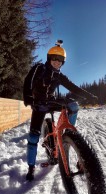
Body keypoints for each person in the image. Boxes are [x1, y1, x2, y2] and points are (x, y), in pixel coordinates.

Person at [23, 40, 97, 181]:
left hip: (51, 101)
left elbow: (72, 87)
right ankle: (31, 167)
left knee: (73, 106)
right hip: (39, 104)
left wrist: (89, 96)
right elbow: (28, 81)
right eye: (54, 59)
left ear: (63, 62)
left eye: (60, 60)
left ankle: (68, 134)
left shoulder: (59, 76)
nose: (57, 62)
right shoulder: (40, 68)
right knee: (33, 138)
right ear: (49, 58)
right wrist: (28, 98)